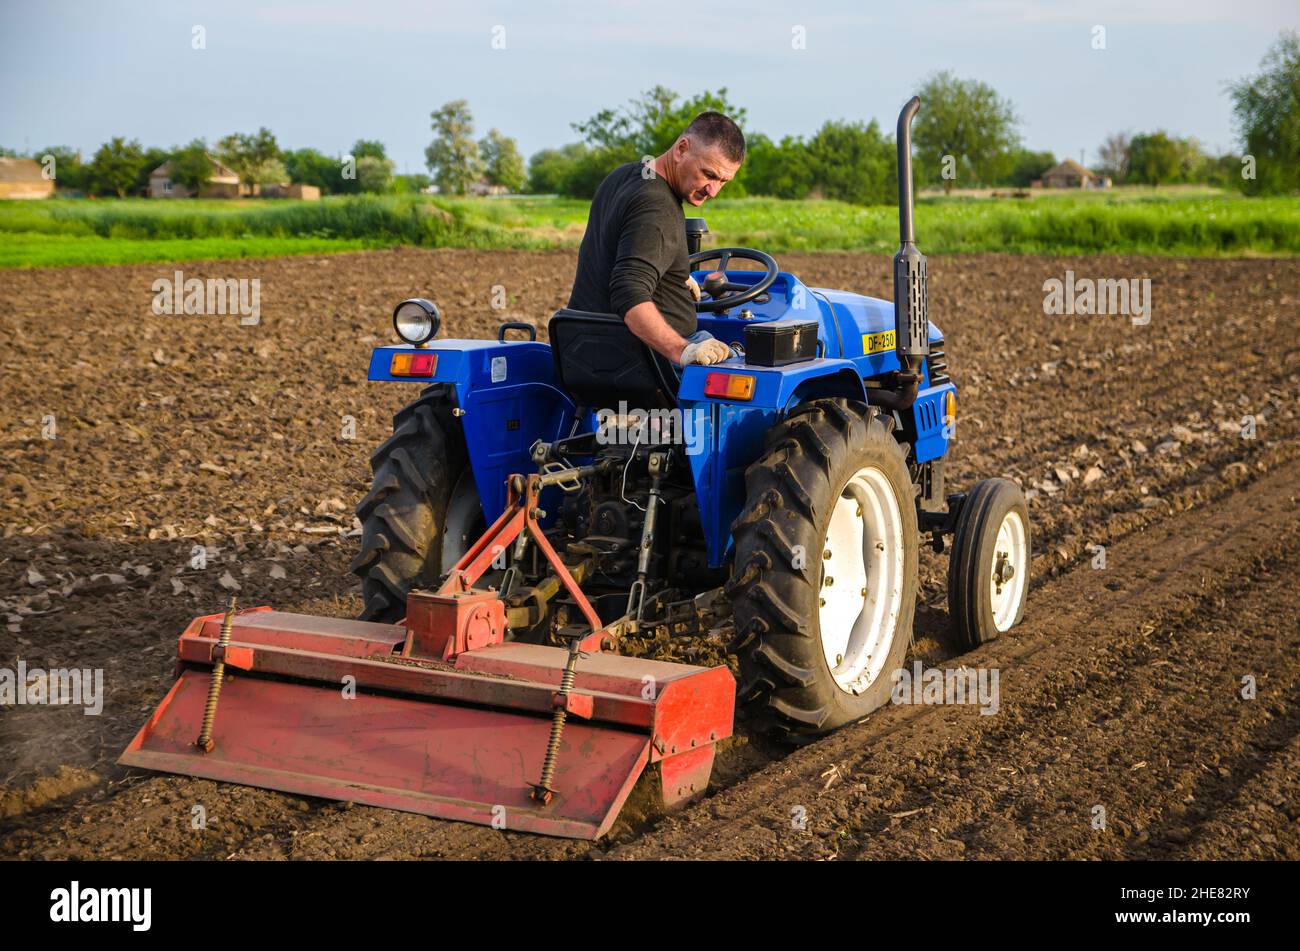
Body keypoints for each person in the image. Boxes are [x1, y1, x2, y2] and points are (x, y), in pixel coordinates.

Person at [567, 111, 745, 367]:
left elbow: (618, 245)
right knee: (753, 364)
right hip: (643, 361)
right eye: (709, 174)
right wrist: (683, 350)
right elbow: (628, 292)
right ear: (682, 149)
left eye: (723, 181)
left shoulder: (623, 177)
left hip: (585, 349)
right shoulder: (658, 205)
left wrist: (674, 273)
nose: (713, 191)